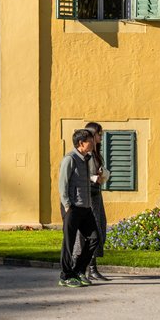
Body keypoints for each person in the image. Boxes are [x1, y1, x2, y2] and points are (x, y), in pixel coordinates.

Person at [58, 128, 99, 288]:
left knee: (94, 238)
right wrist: (67, 205)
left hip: (85, 207)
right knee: (69, 242)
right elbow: (63, 184)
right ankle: (66, 276)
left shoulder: (85, 159)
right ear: (81, 143)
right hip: (73, 207)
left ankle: (79, 270)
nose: (93, 142)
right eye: (90, 140)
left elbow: (81, 180)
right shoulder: (70, 159)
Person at [82, 121, 110, 282]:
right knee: (93, 232)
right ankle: (89, 267)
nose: (101, 136)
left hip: (96, 195)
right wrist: (95, 178)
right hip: (90, 197)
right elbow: (82, 174)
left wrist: (102, 175)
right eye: (99, 133)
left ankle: (93, 267)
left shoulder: (96, 153)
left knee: (100, 228)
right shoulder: (86, 154)